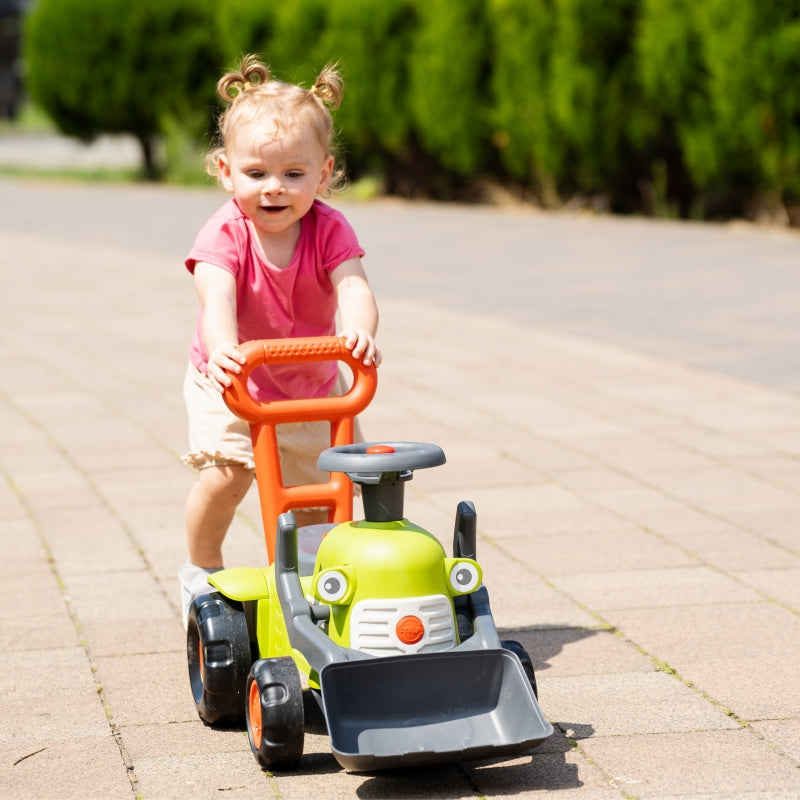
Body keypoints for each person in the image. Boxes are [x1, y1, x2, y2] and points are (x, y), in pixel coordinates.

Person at [178, 54, 380, 627]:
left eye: (294, 175)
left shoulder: (330, 228)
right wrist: (224, 351)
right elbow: (215, 298)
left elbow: (355, 289)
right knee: (228, 474)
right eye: (256, 174)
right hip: (231, 378)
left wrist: (359, 333)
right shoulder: (224, 233)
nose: (275, 189)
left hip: (309, 382)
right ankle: (200, 569)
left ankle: (315, 589)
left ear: (323, 173)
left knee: (323, 494)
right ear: (225, 170)